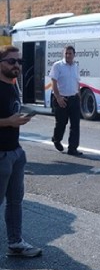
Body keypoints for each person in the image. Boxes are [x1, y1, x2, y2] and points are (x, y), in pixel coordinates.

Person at [0, 45, 42, 257]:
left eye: (19, 62)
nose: (16, 65)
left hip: (15, 153)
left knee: (15, 202)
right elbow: (7, 119)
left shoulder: (13, 85)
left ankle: (15, 243)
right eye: (11, 61)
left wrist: (21, 117)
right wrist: (8, 121)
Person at [50, 45, 82, 156]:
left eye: (70, 53)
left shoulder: (75, 66)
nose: (68, 55)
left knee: (75, 125)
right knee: (61, 123)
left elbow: (77, 81)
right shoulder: (57, 66)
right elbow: (53, 83)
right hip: (61, 99)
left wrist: (79, 95)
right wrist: (58, 97)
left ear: (74, 55)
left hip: (74, 99)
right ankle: (56, 139)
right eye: (66, 53)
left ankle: (72, 148)